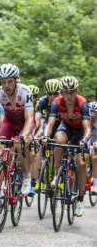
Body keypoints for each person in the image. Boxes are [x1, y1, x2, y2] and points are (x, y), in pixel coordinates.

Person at [0, 63, 35, 208]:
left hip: (25, 124)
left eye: (10, 81)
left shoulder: (25, 92)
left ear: (16, 80)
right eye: (3, 82)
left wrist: (23, 135)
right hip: (9, 123)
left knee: (21, 144)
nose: (6, 85)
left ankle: (26, 175)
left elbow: (30, 119)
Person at [42, 76, 91, 217]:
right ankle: (57, 172)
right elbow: (50, 124)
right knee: (59, 140)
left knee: (81, 163)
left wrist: (84, 140)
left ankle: (80, 199)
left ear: (76, 91)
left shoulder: (83, 104)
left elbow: (87, 128)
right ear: (61, 92)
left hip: (81, 132)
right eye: (65, 92)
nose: (69, 95)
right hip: (66, 128)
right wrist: (45, 136)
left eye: (72, 92)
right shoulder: (57, 102)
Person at [32, 79, 61, 194]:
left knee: (57, 153)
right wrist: (33, 134)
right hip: (48, 126)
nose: (52, 96)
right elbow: (37, 119)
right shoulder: (43, 101)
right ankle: (37, 180)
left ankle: (59, 177)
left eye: (55, 94)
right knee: (41, 150)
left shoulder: (62, 102)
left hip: (60, 127)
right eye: (50, 94)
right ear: (46, 93)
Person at [89, 102, 97, 194]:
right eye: (91, 112)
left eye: (95, 113)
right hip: (87, 140)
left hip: (95, 141)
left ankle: (95, 185)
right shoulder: (85, 118)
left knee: (95, 158)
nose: (93, 115)